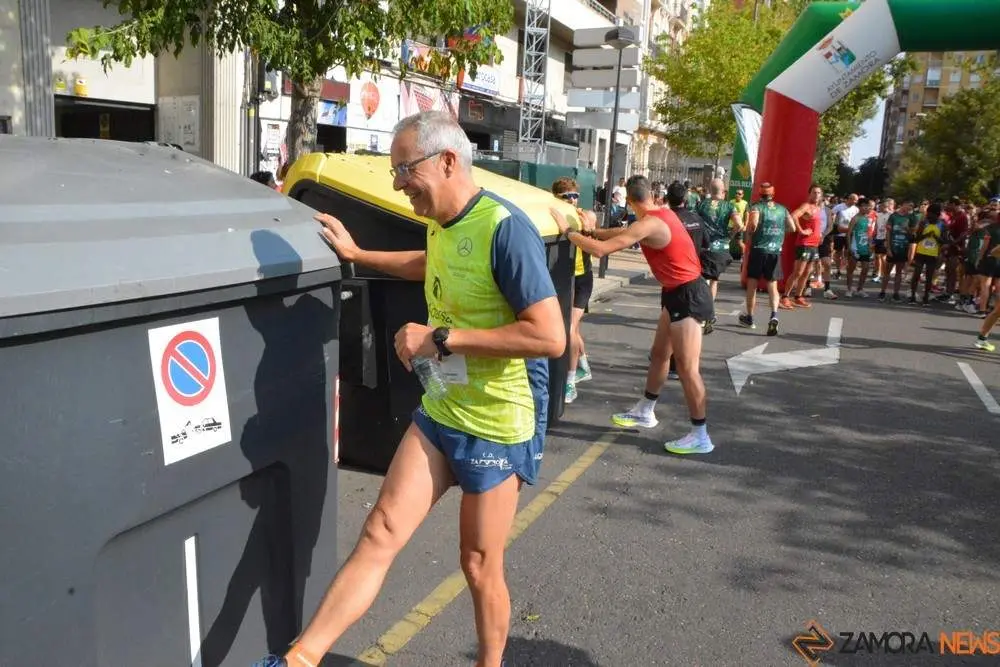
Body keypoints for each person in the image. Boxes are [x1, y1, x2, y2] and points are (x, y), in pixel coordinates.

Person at [256, 111, 565, 667]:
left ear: (448, 161)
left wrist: (441, 338)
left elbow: (549, 336)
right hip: (442, 410)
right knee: (380, 530)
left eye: (405, 169)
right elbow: (432, 263)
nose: (398, 182)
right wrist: (357, 256)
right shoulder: (441, 221)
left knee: (478, 565)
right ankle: (299, 660)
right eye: (395, 170)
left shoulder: (505, 229)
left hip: (498, 424)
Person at [551, 177, 714, 454]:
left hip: (689, 296)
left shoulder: (648, 223)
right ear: (651, 195)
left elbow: (602, 251)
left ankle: (701, 435)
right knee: (660, 354)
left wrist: (569, 232)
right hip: (676, 293)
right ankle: (646, 410)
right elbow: (617, 233)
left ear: (629, 201)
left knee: (688, 369)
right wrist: (591, 231)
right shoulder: (658, 214)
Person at [739, 182, 808, 336]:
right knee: (772, 286)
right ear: (773, 194)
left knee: (752, 284)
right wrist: (778, 234)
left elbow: (753, 225)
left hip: (758, 250)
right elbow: (792, 227)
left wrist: (750, 234)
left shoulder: (756, 207)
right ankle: (774, 315)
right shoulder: (782, 209)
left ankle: (750, 318)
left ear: (760, 193)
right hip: (775, 251)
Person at [551, 177, 596, 403]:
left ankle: (570, 382)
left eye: (574, 195)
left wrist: (588, 229)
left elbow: (594, 241)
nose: (572, 200)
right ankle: (584, 365)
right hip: (564, 278)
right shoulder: (553, 217)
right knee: (573, 328)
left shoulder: (586, 216)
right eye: (566, 196)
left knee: (569, 328)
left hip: (582, 279)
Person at [696, 178, 744, 323]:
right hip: (720, 248)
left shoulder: (702, 204)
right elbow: (740, 224)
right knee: (714, 281)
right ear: (723, 192)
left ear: (710, 191)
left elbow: (695, 222)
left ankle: (701, 312)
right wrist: (730, 235)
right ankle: (710, 312)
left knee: (702, 280)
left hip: (704, 247)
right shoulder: (729, 206)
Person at [783, 184, 824, 308]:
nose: (816, 195)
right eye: (814, 192)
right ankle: (785, 297)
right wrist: (800, 230)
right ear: (809, 194)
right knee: (798, 272)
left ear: (821, 195)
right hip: (804, 244)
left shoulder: (819, 208)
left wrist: (820, 235)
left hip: (815, 244)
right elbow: (793, 216)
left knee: (807, 273)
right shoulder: (806, 206)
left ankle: (798, 297)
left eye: (818, 193)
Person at [909, 202, 947, 306]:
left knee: (929, 277)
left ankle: (926, 297)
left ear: (937, 214)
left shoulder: (942, 224)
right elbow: (916, 238)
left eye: (932, 214)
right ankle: (912, 295)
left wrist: (936, 237)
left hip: (933, 254)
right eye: (929, 214)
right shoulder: (924, 222)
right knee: (916, 274)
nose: (929, 216)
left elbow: (944, 240)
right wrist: (925, 235)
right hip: (921, 252)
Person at [879, 200, 917, 303]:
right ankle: (882, 291)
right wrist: (888, 248)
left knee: (899, 272)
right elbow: (888, 233)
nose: (909, 207)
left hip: (903, 248)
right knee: (887, 271)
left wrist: (907, 229)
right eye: (908, 204)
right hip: (893, 246)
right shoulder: (893, 216)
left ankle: (896, 293)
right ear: (902, 204)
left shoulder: (912, 217)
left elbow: (913, 233)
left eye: (911, 206)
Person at [844, 198, 875, 298]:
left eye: (869, 206)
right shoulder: (855, 218)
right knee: (851, 269)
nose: (867, 208)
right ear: (860, 207)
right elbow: (848, 234)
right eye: (865, 206)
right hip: (855, 247)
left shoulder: (869, 219)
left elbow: (869, 234)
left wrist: (871, 246)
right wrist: (849, 247)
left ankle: (860, 289)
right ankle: (849, 289)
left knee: (865, 269)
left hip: (865, 247)